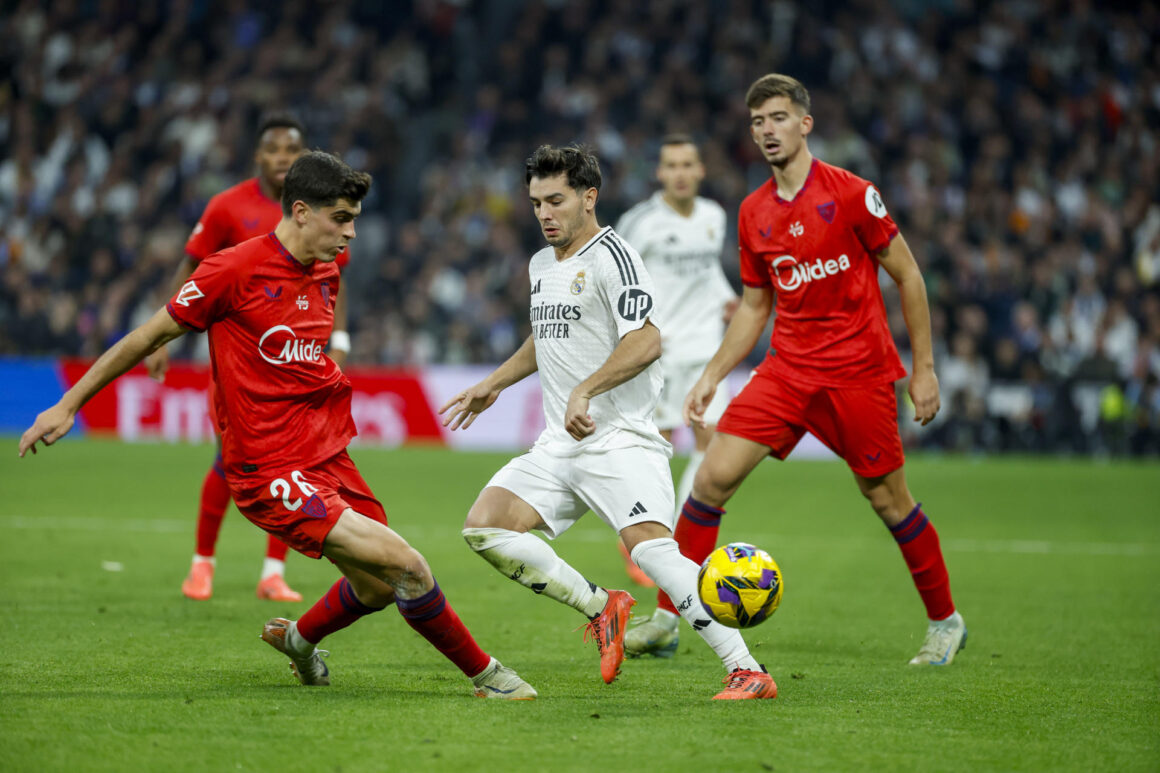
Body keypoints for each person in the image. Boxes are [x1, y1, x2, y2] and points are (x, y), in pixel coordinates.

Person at [20, 151, 535, 699]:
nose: (352, 232)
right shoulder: (231, 270)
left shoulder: (328, 273)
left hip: (327, 455)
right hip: (267, 468)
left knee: (380, 586)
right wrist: (68, 404)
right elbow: (146, 337)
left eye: (355, 218)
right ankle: (490, 678)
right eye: (341, 217)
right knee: (409, 566)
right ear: (300, 211)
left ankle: (298, 640)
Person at [627, 73, 967, 666]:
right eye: (758, 122)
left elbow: (909, 275)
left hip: (859, 374)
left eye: (779, 118)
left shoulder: (853, 193)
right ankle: (665, 617)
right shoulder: (754, 212)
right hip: (786, 374)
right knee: (709, 481)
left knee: (889, 500)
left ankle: (946, 621)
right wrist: (713, 374)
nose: (767, 131)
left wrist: (925, 369)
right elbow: (756, 305)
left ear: (804, 124)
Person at [440, 144, 775, 700]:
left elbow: (646, 340)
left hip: (619, 439)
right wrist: (492, 383)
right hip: (560, 444)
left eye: (556, 200)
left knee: (651, 551)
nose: (544, 213)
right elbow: (544, 338)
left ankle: (747, 669)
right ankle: (601, 606)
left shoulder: (614, 255)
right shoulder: (541, 264)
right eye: (535, 203)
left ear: (588, 197)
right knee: (486, 525)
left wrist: (585, 390)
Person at [146, 115, 352, 603]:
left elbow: (336, 276)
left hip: (295, 360)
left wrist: (337, 340)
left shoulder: (323, 212)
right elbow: (192, 267)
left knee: (298, 464)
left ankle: (272, 571)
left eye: (292, 148)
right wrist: (161, 339)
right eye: (273, 148)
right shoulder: (227, 207)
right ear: (258, 157)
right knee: (228, 457)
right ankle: (203, 563)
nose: (282, 156)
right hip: (241, 361)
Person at [614, 134, 738, 592]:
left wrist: (728, 300)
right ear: (660, 173)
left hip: (707, 350)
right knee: (657, 452)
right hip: (658, 352)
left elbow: (708, 272)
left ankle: (678, 546)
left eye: (688, 163)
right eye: (672, 165)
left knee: (713, 448)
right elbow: (616, 278)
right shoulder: (640, 222)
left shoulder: (713, 216)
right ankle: (640, 542)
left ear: (700, 170)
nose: (681, 172)